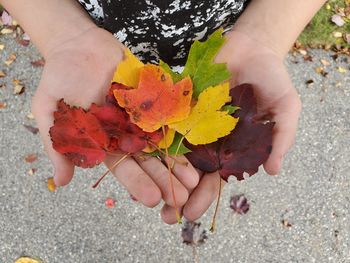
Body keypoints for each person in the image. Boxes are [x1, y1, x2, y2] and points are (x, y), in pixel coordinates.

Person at [1, 0, 326, 224]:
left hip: (217, 26)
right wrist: (58, 30)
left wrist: (268, 30)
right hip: (98, 26)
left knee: (191, 83)